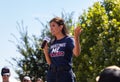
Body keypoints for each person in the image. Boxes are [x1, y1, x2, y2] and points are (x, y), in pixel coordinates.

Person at [43, 17, 82, 82]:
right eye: (50, 26)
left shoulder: (68, 39)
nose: (51, 28)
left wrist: (76, 38)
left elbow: (77, 53)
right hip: (52, 75)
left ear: (61, 27)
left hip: (64, 75)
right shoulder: (52, 42)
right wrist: (45, 52)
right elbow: (50, 63)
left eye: (53, 25)